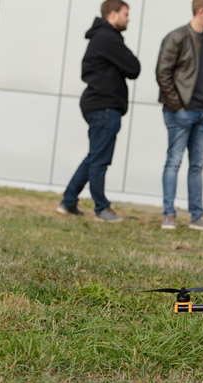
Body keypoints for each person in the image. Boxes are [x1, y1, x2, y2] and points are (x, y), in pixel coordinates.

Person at [57, 0, 140, 222]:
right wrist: (121, 66)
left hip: (100, 105)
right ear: (113, 14)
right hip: (104, 106)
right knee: (100, 160)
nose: (128, 19)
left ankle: (68, 201)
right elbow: (134, 67)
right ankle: (101, 208)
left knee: (95, 156)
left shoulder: (103, 38)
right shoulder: (107, 38)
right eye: (126, 14)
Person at [156, 0, 203, 231]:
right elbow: (162, 73)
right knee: (174, 162)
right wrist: (177, 106)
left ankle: (197, 216)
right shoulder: (177, 37)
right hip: (181, 112)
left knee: (197, 165)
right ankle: (169, 215)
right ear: (201, 11)